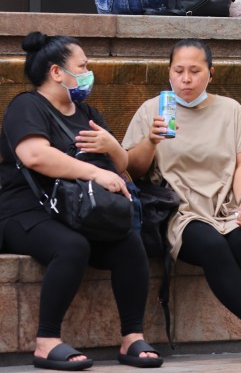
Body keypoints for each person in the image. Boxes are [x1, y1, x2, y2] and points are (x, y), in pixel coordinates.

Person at [124, 39, 241, 365]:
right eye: (178, 71)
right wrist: (151, 140)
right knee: (211, 244)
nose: (186, 79)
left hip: (223, 207)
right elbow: (131, 169)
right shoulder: (153, 110)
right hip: (178, 212)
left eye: (195, 71)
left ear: (211, 72)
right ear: (169, 73)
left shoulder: (230, 110)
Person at [0, 33, 161, 370]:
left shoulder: (88, 112)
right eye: (83, 66)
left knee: (129, 242)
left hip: (78, 210)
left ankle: (132, 337)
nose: (89, 72)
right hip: (26, 210)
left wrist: (111, 145)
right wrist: (93, 172)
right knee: (72, 247)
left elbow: (121, 168)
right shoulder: (27, 106)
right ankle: (46, 342)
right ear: (57, 72)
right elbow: (34, 155)